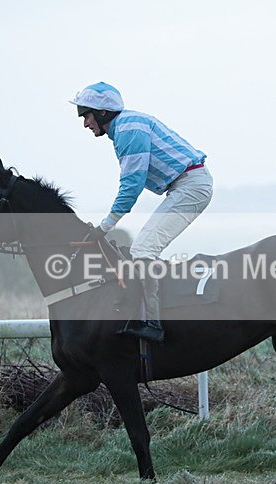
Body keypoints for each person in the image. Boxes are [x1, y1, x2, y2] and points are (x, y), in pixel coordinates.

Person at [69, 82, 213, 342]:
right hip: (186, 185)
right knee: (143, 249)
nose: (85, 123)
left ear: (102, 112)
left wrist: (104, 227)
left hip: (190, 186)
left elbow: (131, 186)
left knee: (143, 250)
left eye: (86, 116)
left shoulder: (128, 130)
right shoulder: (125, 126)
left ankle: (153, 324)